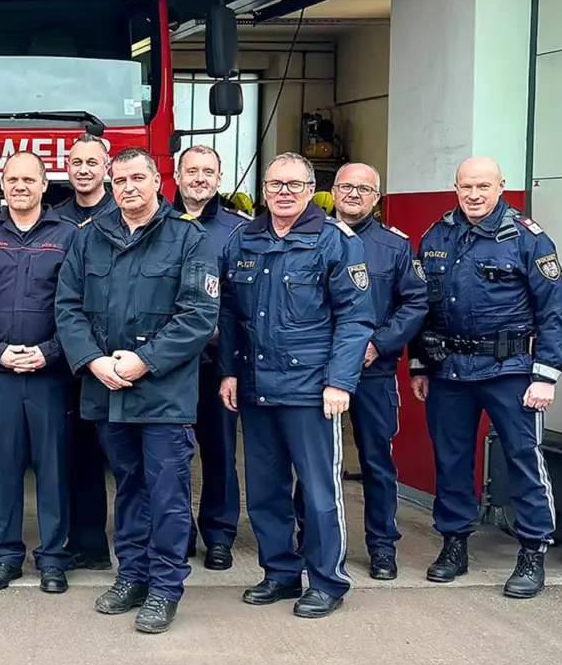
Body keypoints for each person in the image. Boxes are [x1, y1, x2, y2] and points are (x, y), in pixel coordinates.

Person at [56, 147, 219, 633]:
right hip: (108, 389)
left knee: (167, 494)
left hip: (164, 395)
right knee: (127, 489)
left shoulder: (188, 239)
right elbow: (68, 307)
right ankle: (132, 576)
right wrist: (93, 360)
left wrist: (145, 360)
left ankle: (165, 588)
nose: (128, 187)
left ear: (156, 182)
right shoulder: (90, 240)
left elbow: (198, 316)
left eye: (137, 178)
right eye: (120, 179)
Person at [218, 153, 374, 620]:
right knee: (264, 489)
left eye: (293, 184)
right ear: (264, 190)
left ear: (310, 190)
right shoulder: (243, 239)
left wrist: (340, 381)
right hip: (256, 386)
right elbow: (228, 311)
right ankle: (280, 573)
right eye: (275, 184)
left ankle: (328, 581)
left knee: (319, 491)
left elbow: (355, 317)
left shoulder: (334, 242)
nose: (283, 192)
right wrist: (228, 370)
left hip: (311, 391)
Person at [410, 156, 562, 598]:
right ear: (455, 188)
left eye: (483, 186)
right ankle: (454, 544)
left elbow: (554, 310)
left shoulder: (527, 238)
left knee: (523, 458)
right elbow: (422, 306)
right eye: (466, 187)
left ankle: (533, 550)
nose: (474, 195)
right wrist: (421, 363)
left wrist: (547, 375)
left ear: (501, 186)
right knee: (451, 459)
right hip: (450, 371)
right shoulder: (437, 235)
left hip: (511, 371)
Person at [0, 151, 77, 594]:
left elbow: (77, 305)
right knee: (1, 468)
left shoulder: (68, 237)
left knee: (53, 468)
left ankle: (52, 559)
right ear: (1, 186)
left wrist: (48, 353)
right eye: (12, 180)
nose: (20, 186)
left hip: (50, 374)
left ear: (45, 185)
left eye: (30, 179)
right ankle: (6, 555)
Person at [324, 163, 427, 580]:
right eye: (346, 186)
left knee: (377, 463)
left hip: (373, 371)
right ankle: (309, 536)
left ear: (376, 198)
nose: (354, 194)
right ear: (332, 190)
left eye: (364, 189)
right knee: (316, 461)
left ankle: (382, 546)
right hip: (319, 370)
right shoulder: (312, 236)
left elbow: (416, 303)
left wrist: (377, 344)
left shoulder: (394, 246)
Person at [172, 145, 251, 570]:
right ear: (177, 176)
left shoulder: (241, 231)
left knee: (219, 451)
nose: (199, 178)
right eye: (192, 171)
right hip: (168, 365)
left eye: (208, 171)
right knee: (171, 452)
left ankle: (219, 534)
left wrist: (233, 367)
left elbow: (243, 303)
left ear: (219, 179)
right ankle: (177, 530)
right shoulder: (157, 223)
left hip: (218, 364)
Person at [52, 134, 115, 569]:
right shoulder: (54, 220)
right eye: (76, 162)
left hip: (117, 356)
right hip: (68, 355)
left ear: (106, 168)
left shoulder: (126, 215)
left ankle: (146, 547)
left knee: (128, 457)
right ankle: (87, 544)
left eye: (93, 161)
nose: (84, 169)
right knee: (77, 454)